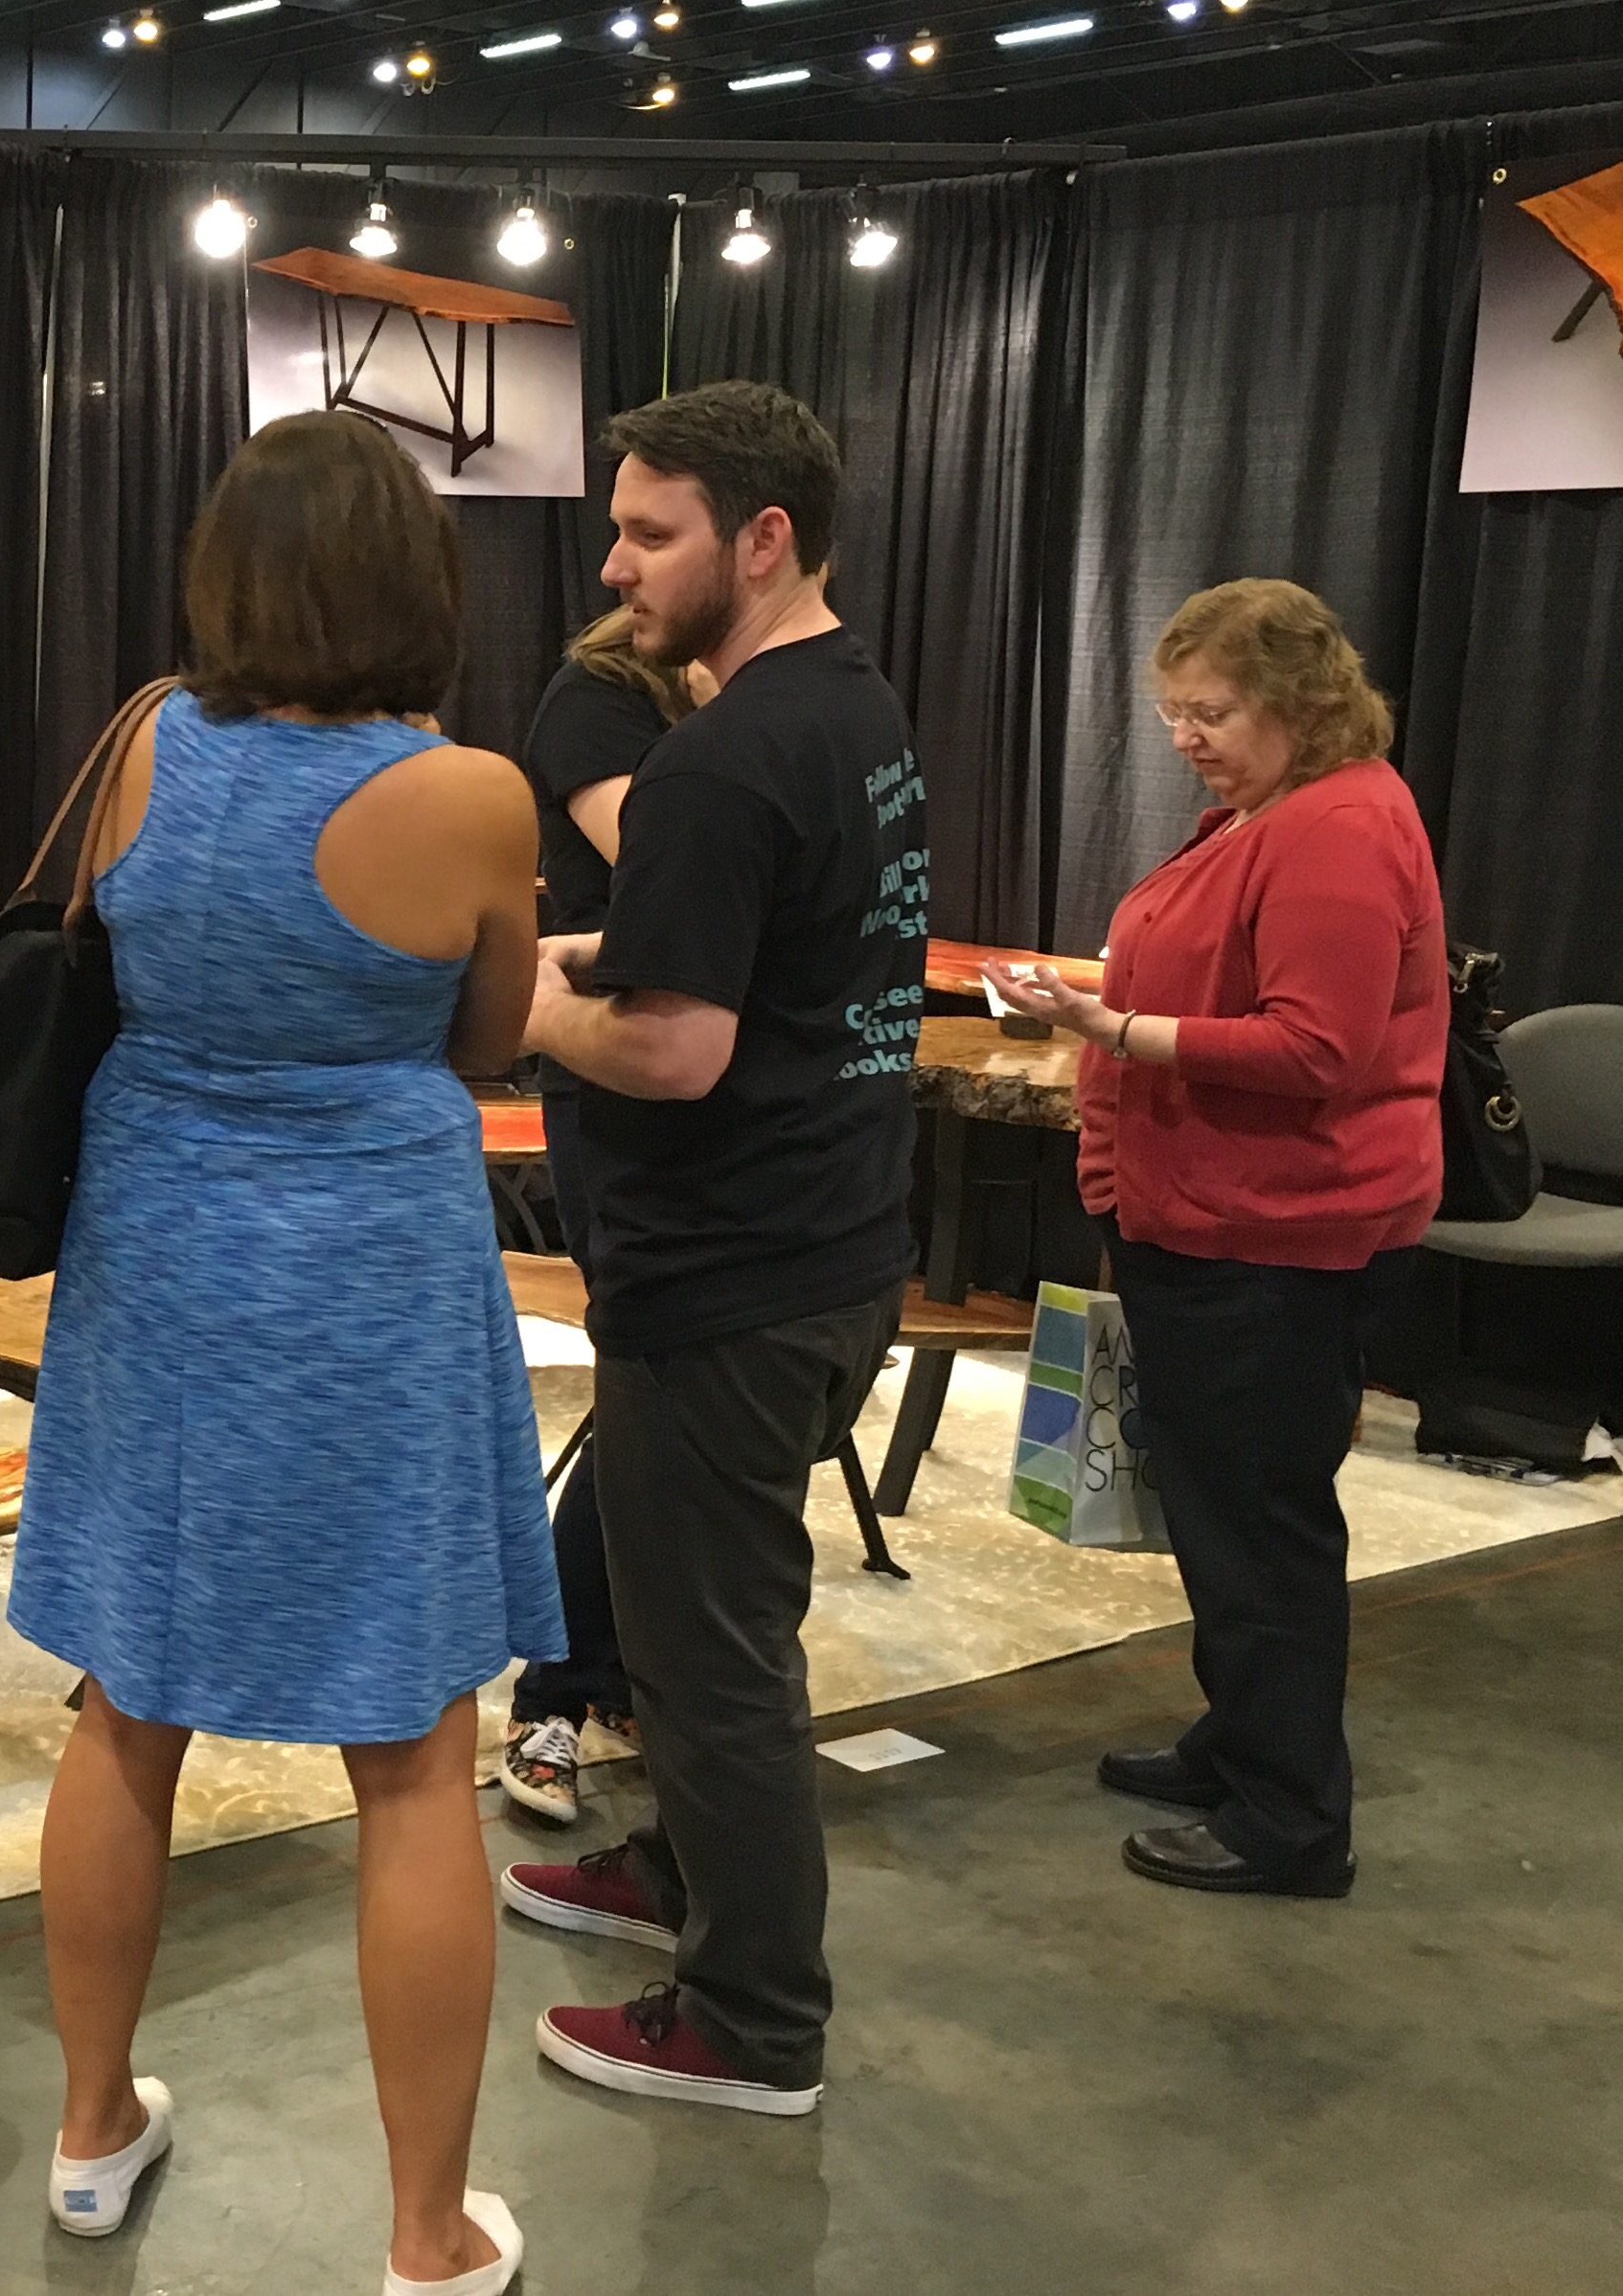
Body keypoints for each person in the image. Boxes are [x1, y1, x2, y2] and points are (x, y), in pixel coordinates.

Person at [9, 411, 552, 2296]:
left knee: (122, 1702)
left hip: (155, 1236)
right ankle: (423, 2236)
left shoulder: (145, 740)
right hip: (364, 1261)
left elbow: (111, 952)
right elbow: (484, 1040)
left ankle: (91, 2129)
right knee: (409, 1751)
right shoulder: (467, 793)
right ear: (417, 578)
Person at [504, 380, 926, 2120]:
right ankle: (683, 1873)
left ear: (760, 538)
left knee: (707, 1658)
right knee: (707, 1624)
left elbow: (676, 1048)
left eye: (647, 532)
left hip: (732, 1276)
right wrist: (592, 961)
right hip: (827, 1247)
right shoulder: (854, 709)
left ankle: (752, 2020)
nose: (613, 567)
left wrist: (520, 1000)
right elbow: (768, 955)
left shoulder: (721, 756)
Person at [990, 578, 1445, 1898]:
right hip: (1219, 1220)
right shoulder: (1275, 812)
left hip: (1279, 1235)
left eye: (1213, 712)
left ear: (1300, 703)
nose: (1186, 737)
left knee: (1260, 1528)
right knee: (1222, 1512)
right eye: (1174, 713)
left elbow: (1315, 1048)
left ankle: (1289, 1819)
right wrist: (1096, 1006)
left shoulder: (1338, 828)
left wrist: (1112, 1031)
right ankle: (1243, 1741)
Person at [499, 608, 707, 1826]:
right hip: (615, 1079)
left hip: (721, 1089)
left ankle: (620, 1672)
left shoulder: (760, 704)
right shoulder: (595, 699)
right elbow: (680, 865)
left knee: (688, 1403)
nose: (625, 563)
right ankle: (559, 1688)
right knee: (646, 1385)